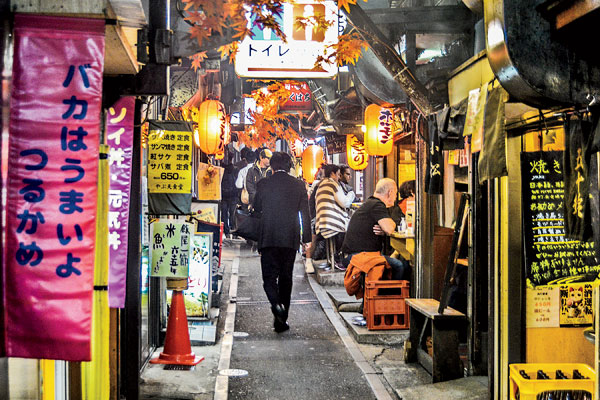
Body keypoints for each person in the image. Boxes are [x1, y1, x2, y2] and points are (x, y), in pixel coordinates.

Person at [252, 152, 311, 333]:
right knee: (286, 278)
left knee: (269, 277)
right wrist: (306, 239)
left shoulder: (263, 184)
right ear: (289, 166)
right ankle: (281, 321)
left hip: (268, 237)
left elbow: (257, 209)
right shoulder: (298, 185)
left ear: (272, 166)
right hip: (290, 238)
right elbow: (305, 214)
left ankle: (276, 305)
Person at [342, 178, 411, 281]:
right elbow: (389, 228)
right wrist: (387, 227)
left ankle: (382, 294)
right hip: (359, 256)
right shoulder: (377, 205)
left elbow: (386, 229)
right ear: (390, 193)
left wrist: (385, 228)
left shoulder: (371, 203)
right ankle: (390, 296)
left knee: (395, 263)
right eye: (395, 194)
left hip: (358, 254)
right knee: (398, 266)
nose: (396, 197)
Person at [315, 164, 355, 269]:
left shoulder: (321, 185)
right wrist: (351, 194)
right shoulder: (333, 184)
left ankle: (333, 259)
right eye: (338, 175)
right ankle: (340, 259)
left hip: (322, 222)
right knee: (352, 228)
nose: (338, 177)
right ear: (332, 174)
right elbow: (345, 203)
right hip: (332, 222)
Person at [220, 159, 238, 238]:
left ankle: (226, 232)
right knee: (232, 214)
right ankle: (233, 231)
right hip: (233, 195)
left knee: (224, 214)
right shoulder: (235, 170)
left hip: (223, 196)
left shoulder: (221, 170)